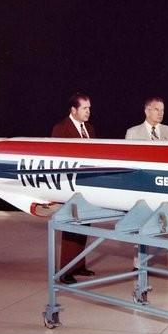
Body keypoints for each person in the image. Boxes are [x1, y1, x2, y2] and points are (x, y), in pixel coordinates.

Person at [125, 97, 168, 269]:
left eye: (162, 110)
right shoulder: (133, 133)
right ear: (147, 111)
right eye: (157, 109)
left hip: (166, 187)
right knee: (141, 222)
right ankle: (139, 262)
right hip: (143, 187)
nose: (161, 113)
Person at [51, 92, 96, 284]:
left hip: (87, 184)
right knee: (71, 226)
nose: (88, 112)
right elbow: (56, 158)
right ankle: (66, 271)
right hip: (68, 186)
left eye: (89, 108)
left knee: (85, 223)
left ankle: (79, 265)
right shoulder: (61, 129)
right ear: (73, 110)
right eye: (85, 108)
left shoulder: (90, 129)